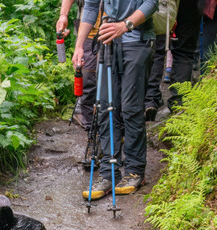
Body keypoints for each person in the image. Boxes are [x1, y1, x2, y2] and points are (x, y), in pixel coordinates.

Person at [73, 0, 158, 198]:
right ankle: (107, 173)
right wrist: (79, 46)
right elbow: (92, 7)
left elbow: (152, 3)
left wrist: (124, 25)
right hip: (108, 44)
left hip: (137, 42)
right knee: (104, 106)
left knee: (130, 107)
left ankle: (134, 170)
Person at [57, 0, 101, 130]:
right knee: (87, 78)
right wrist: (63, 14)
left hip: (118, 32)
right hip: (89, 30)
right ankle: (87, 120)